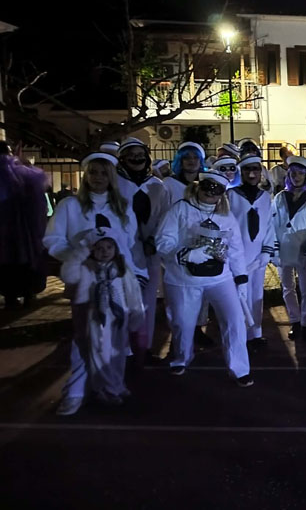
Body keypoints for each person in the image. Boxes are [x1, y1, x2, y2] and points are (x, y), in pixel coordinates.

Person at [44, 152, 143, 416]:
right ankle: (75, 392)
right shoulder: (70, 206)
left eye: (103, 173)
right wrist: (80, 256)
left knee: (116, 338)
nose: (98, 178)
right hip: (86, 280)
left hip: (117, 280)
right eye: (93, 172)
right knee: (84, 337)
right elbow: (53, 239)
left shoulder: (122, 206)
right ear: (85, 175)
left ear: (111, 177)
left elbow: (128, 242)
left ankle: (112, 385)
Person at [155, 170, 253, 386]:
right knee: (182, 322)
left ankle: (239, 368)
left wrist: (241, 278)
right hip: (183, 278)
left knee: (235, 320)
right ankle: (181, 358)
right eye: (208, 187)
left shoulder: (226, 216)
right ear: (198, 186)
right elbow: (162, 241)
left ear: (222, 193)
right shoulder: (180, 209)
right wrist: (186, 255)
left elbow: (235, 249)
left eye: (217, 190)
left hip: (219, 277)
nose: (211, 193)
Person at [60, 227, 145, 405]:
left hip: (119, 316)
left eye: (109, 247)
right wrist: (81, 252)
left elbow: (132, 292)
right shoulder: (87, 268)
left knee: (118, 353)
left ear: (116, 248)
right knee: (100, 353)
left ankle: (117, 384)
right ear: (92, 250)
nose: (104, 251)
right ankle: (106, 389)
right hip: (97, 317)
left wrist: (136, 314)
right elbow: (68, 275)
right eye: (99, 248)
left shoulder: (121, 268)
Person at [116, 137, 169, 362]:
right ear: (122, 159)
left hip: (150, 250)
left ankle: (143, 348)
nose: (136, 159)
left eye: (140, 155)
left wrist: (154, 240)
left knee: (147, 301)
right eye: (131, 155)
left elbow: (165, 217)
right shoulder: (114, 184)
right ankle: (123, 349)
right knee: (122, 300)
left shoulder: (158, 185)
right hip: (122, 251)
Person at [271, 156, 306, 343]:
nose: (296, 177)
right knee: (287, 288)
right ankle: (295, 321)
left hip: (303, 249)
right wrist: (274, 250)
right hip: (284, 249)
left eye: (300, 173)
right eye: (293, 173)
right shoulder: (279, 197)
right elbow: (272, 223)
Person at [228, 156, 276, 349]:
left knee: (256, 295)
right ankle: (240, 335)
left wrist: (266, 251)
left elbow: (269, 224)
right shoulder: (231, 195)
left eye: (255, 169)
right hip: (237, 255)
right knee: (238, 296)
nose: (251, 173)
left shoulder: (264, 197)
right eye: (247, 169)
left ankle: (255, 333)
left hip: (258, 255)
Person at [0, 141, 48, 308]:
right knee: (28, 260)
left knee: (5, 263)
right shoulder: (27, 174)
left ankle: (10, 298)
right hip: (28, 229)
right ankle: (28, 295)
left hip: (5, 230)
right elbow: (39, 205)